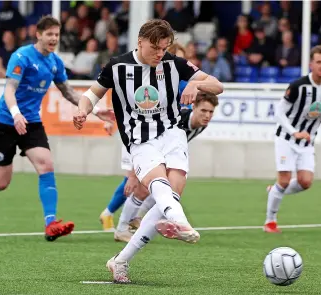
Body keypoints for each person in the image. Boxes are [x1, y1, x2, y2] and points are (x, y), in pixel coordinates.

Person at [73, 19, 223, 283]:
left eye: (164, 48)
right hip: (140, 140)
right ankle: (181, 223)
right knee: (159, 186)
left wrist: (195, 84)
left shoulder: (174, 64)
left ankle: (120, 261)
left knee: (170, 193)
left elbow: (217, 84)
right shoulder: (117, 66)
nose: (159, 53)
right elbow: (90, 95)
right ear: (140, 41)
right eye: (155, 47)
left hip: (172, 134)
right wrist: (81, 110)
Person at [0, 16, 115, 242]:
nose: (53, 39)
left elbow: (69, 92)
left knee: (46, 164)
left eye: (56, 35)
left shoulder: (55, 62)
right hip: (5, 121)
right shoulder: (22, 56)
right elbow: (9, 90)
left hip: (31, 122)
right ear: (38, 34)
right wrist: (16, 114)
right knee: (1, 182)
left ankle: (51, 223)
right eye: (49, 34)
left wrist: (96, 111)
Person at [98, 42, 189, 234]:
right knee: (134, 181)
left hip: (160, 134)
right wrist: (108, 119)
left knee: (150, 184)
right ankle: (112, 215)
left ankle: (134, 220)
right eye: (174, 55)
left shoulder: (177, 77)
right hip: (139, 135)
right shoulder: (141, 72)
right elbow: (125, 98)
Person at [114, 91, 219, 242]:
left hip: (165, 154)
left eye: (211, 112)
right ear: (193, 107)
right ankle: (121, 229)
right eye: (203, 110)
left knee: (166, 190)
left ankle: (137, 218)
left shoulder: (201, 125)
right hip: (141, 145)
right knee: (143, 190)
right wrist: (132, 174)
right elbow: (142, 136)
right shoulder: (176, 119)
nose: (207, 115)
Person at [264, 45, 321, 233]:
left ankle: (275, 191)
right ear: (311, 64)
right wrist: (294, 131)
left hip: (307, 141)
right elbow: (279, 112)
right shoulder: (298, 85)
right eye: (318, 62)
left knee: (305, 182)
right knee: (285, 179)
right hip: (286, 138)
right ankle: (270, 221)